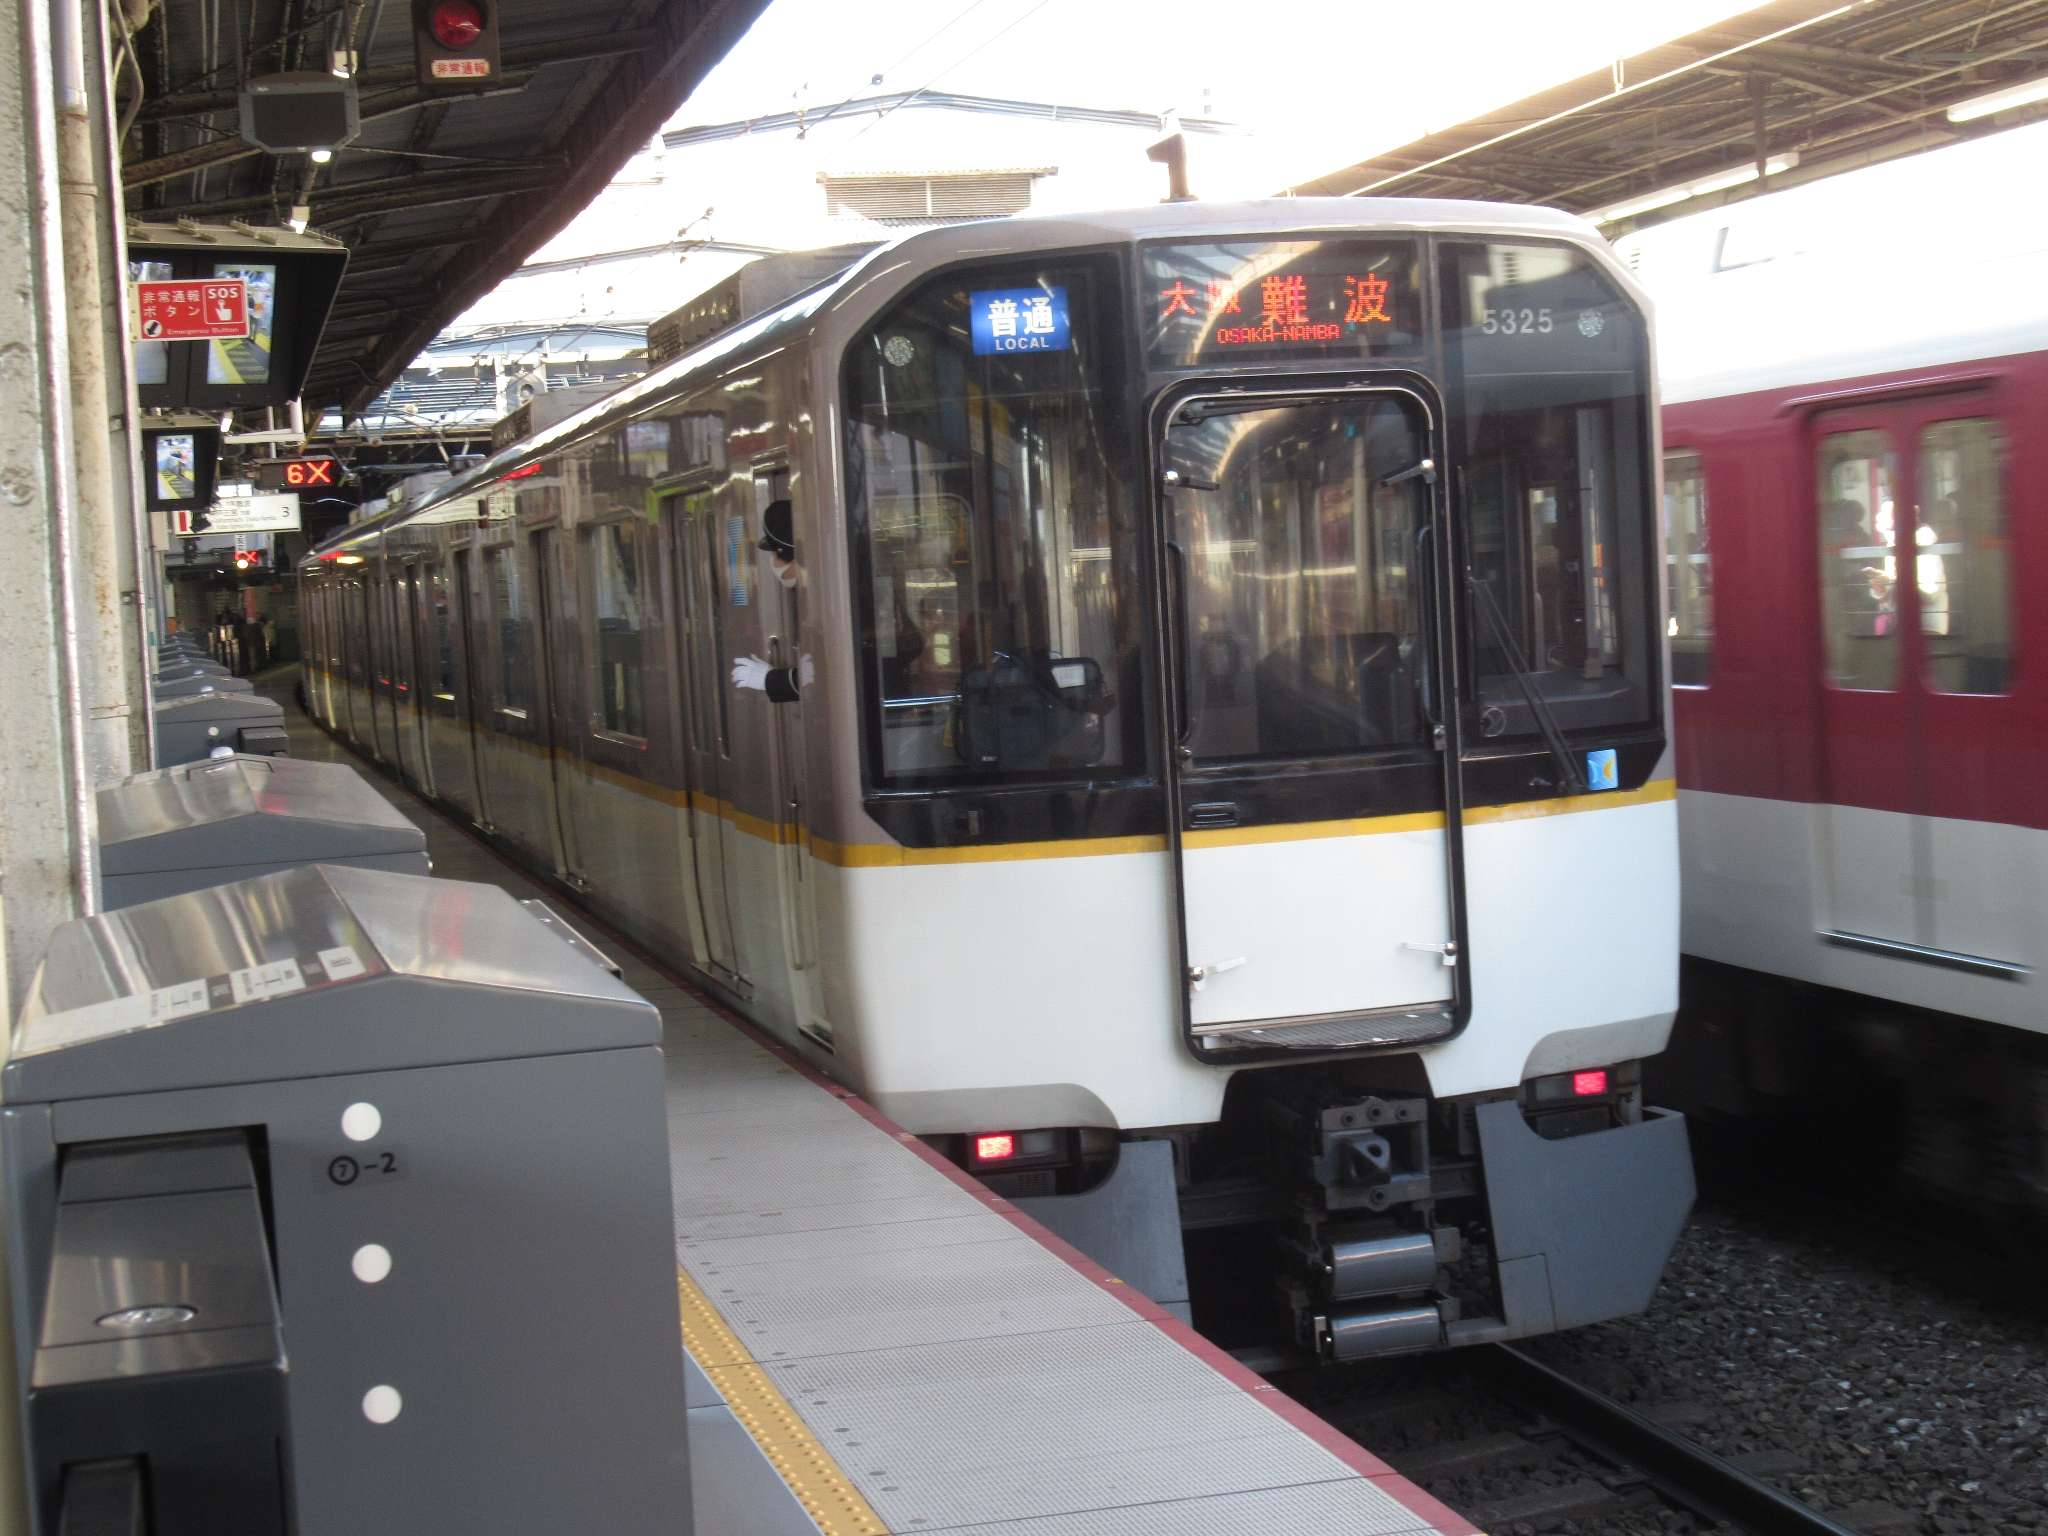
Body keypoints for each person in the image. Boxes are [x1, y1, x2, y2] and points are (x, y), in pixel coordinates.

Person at [731, 499, 812, 703]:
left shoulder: (824, 605)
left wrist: (773, 680)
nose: (772, 563)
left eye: (774, 553)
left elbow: (826, 678)